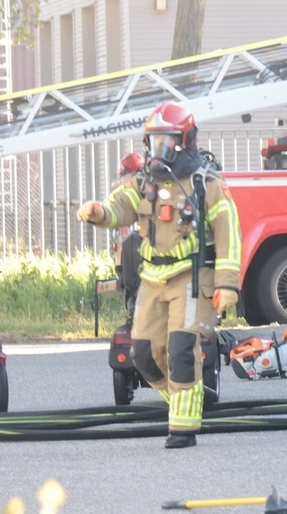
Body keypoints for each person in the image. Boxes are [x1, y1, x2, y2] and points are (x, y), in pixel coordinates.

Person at [77, 102, 241, 449]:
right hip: (152, 278)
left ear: (187, 141)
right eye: (154, 142)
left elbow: (229, 234)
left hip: (193, 277)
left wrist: (227, 286)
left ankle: (183, 429)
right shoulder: (142, 183)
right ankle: (190, 397)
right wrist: (97, 212)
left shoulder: (206, 185)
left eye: (167, 142)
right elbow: (118, 208)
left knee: (181, 348)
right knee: (143, 354)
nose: (159, 151)